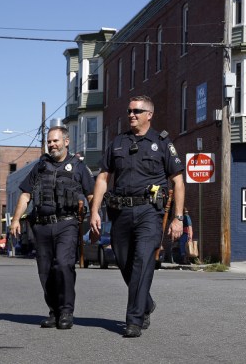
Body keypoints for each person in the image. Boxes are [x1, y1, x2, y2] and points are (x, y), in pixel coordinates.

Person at [90, 95, 185, 338]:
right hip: (120, 212)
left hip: (149, 213)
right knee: (123, 262)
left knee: (142, 261)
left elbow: (177, 181)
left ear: (149, 115)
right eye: (130, 111)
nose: (131, 114)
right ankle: (146, 303)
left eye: (137, 111)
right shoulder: (118, 142)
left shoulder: (162, 143)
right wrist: (95, 212)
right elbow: (103, 177)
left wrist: (178, 218)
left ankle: (134, 319)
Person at [9, 125, 95, 330]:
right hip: (41, 226)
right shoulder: (40, 166)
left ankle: (66, 311)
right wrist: (15, 220)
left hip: (67, 224)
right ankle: (54, 311)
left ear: (66, 142)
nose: (51, 145)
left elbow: (91, 194)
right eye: (49, 141)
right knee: (45, 270)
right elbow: (25, 194)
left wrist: (95, 216)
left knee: (64, 265)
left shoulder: (78, 167)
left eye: (55, 141)